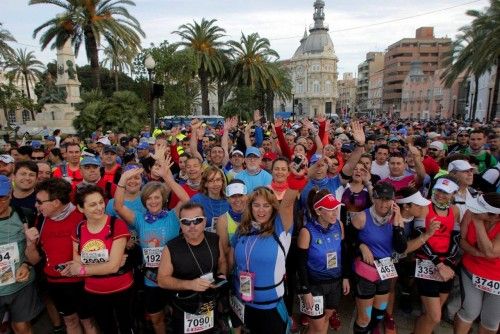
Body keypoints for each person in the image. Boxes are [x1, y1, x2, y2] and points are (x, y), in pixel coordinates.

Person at [114, 158, 190, 334]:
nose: (153, 201)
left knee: (179, 315)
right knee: (156, 318)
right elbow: (118, 206)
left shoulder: (172, 216)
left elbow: (186, 200)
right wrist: (123, 180)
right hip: (151, 279)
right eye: (149, 198)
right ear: (144, 201)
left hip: (173, 275)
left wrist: (168, 178)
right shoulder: (139, 219)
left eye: (157, 197)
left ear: (163, 199)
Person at [25, 178, 96, 334]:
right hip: (55, 283)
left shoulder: (82, 216)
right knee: (70, 321)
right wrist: (30, 244)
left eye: (40, 201)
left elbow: (100, 250)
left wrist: (81, 266)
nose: (36, 205)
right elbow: (34, 260)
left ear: (56, 202)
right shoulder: (40, 219)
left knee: (88, 322)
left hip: (82, 283)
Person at [61, 185, 134, 334]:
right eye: (93, 204)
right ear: (81, 208)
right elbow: (77, 263)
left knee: (126, 327)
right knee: (106, 328)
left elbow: (112, 267)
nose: (100, 207)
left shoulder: (116, 225)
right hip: (94, 291)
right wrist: (106, 262)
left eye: (101, 202)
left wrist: (82, 269)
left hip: (122, 289)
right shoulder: (79, 229)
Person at [230, 186, 298, 334]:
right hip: (244, 304)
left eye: (266, 205)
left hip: (271, 309)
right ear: (250, 207)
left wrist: (297, 177)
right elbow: (232, 261)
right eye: (256, 205)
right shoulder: (242, 230)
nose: (261, 210)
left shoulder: (281, 229)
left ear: (273, 208)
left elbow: (287, 202)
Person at [157, 202, 227, 333]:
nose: (192, 226)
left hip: (210, 303)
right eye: (186, 222)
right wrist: (190, 284)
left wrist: (221, 276)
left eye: (197, 220)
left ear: (205, 221)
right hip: (184, 307)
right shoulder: (171, 247)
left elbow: (222, 261)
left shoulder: (214, 239)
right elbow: (162, 280)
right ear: (180, 224)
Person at [350, 182, 407, 334]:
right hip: (366, 270)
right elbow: (348, 242)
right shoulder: (361, 217)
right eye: (380, 199)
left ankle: (371, 329)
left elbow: (401, 248)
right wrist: (361, 246)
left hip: (385, 269)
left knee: (380, 312)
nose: (384, 203)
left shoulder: (396, 219)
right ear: (374, 199)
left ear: (393, 201)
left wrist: (397, 224)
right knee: (364, 318)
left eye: (388, 199)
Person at [412, 177, 461, 334]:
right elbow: (420, 238)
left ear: (454, 194)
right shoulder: (425, 208)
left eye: (445, 192)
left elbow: (455, 239)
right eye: (438, 190)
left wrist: (447, 263)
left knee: (432, 313)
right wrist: (439, 264)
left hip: (446, 263)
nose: (440, 195)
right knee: (434, 316)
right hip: (426, 261)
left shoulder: (455, 211)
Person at [297, 190, 350, 334]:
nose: (335, 213)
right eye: (330, 209)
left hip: (335, 283)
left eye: (336, 208)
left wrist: (345, 277)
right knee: (318, 327)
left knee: (326, 320)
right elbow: (300, 264)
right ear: (319, 211)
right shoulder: (307, 232)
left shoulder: (339, 225)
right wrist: (306, 290)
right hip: (315, 285)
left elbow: (344, 254)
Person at [0, 175, 44, 334]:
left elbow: (37, 252)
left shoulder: (24, 215)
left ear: (10, 194)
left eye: (3, 198)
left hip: (20, 285)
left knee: (22, 327)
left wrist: (27, 265)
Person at [455, 193, 500, 334]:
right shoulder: (472, 212)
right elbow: (461, 239)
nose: (474, 210)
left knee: (491, 320)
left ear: (495, 216)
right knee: (469, 311)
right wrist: (476, 253)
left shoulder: (477, 217)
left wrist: (478, 223)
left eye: (479, 209)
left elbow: (491, 252)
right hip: (472, 270)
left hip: (498, 277)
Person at [192, 167, 229, 232]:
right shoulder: (196, 201)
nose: (215, 184)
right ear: (205, 184)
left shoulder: (229, 200)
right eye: (211, 181)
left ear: (222, 181)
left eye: (218, 180)